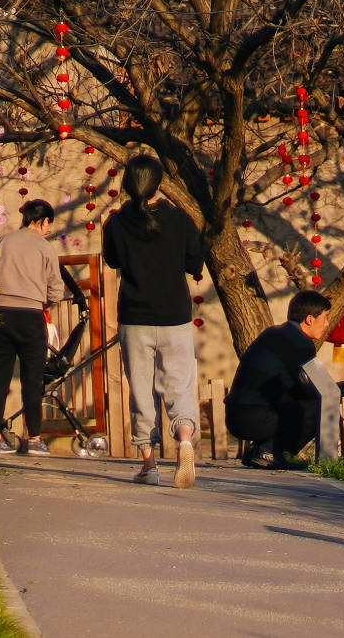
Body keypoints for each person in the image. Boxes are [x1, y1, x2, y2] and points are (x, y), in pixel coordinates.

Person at [102, 153, 206, 488]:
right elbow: (194, 262)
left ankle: (149, 466)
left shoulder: (115, 223)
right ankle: (185, 436)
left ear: (127, 183)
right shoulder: (180, 219)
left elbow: (113, 260)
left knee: (141, 391)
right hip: (175, 316)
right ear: (159, 183)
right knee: (179, 384)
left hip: (135, 317)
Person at [225, 290, 344, 469]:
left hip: (237, 415)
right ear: (309, 319)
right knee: (322, 410)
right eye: (325, 318)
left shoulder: (275, 333)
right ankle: (268, 450)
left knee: (304, 402)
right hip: (255, 417)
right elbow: (321, 392)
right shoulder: (300, 343)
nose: (328, 324)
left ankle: (258, 451)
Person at [0, 199, 64, 455]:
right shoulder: (44, 247)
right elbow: (55, 288)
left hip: (1, 314)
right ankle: (34, 439)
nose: (48, 230)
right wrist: (48, 299)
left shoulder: (2, 241)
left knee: (0, 377)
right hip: (31, 315)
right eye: (48, 224)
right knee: (32, 380)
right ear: (43, 222)